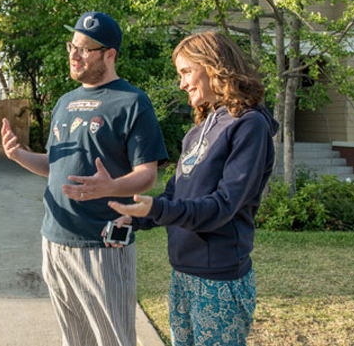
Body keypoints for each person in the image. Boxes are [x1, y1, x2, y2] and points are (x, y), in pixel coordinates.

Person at [1, 11, 168, 346]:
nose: (74, 55)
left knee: (113, 339)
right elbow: (54, 165)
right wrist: (18, 155)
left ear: (109, 55)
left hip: (103, 246)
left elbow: (147, 174)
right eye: (72, 46)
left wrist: (112, 187)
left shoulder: (133, 102)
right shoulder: (65, 103)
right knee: (74, 339)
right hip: (55, 241)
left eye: (84, 49)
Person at [108, 31, 278, 346]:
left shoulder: (249, 126)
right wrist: (137, 218)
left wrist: (156, 210)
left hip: (219, 279)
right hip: (183, 272)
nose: (182, 83)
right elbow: (175, 194)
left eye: (187, 72)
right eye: (180, 74)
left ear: (214, 66)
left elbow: (223, 206)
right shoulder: (199, 129)